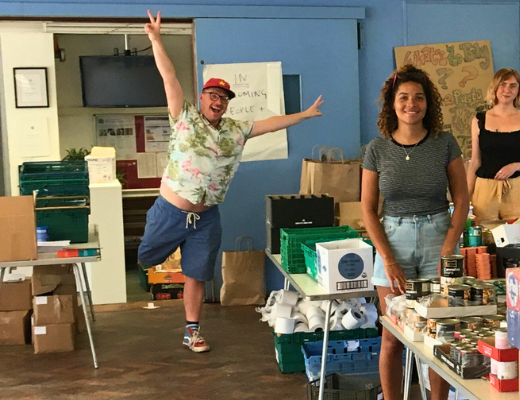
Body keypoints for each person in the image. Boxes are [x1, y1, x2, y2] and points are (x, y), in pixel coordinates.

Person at [136, 11, 324, 353]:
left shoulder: (237, 130)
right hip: (170, 212)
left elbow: (271, 123)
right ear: (202, 97)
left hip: (206, 218)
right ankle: (160, 250)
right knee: (147, 257)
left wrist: (305, 115)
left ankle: (192, 331)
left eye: (223, 98)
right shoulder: (184, 116)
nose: (218, 101)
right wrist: (156, 40)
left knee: (197, 274)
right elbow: (169, 77)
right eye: (213, 95)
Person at [363, 65, 468, 400]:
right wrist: (388, 259)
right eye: (404, 97)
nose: (412, 104)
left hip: (439, 235)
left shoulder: (444, 143)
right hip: (394, 241)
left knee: (440, 334)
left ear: (428, 103)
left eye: (419, 97)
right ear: (392, 104)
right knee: (392, 336)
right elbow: (367, 210)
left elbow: (462, 199)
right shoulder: (377, 149)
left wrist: (448, 249)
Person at [467, 68, 520, 221]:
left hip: (518, 189)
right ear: (494, 87)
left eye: (512, 86)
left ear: (518, 91)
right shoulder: (479, 120)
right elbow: (475, 161)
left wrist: (515, 166)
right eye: (502, 84)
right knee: (483, 233)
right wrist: (465, 197)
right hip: (485, 189)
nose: (507, 90)